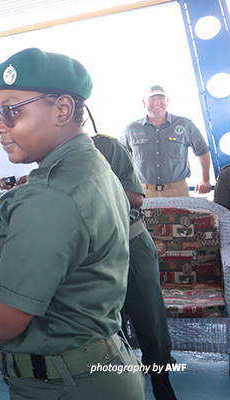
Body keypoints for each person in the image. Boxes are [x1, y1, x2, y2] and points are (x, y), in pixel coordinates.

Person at [0, 48, 145, 399]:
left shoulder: (52, 194)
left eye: (11, 110)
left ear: (63, 109)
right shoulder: (90, 165)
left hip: (64, 383)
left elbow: (1, 324)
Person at [91, 134, 177, 400]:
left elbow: (135, 198)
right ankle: (124, 376)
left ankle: (161, 382)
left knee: (149, 315)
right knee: (107, 320)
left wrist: (84, 187)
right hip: (92, 251)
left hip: (130, 243)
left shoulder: (105, 146)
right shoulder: (48, 155)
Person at [120, 85, 212, 197]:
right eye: (152, 99)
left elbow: (202, 150)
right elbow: (120, 157)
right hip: (143, 192)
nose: (157, 102)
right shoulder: (131, 128)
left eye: (161, 98)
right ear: (144, 103)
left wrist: (205, 179)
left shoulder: (185, 124)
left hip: (178, 191)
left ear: (167, 101)